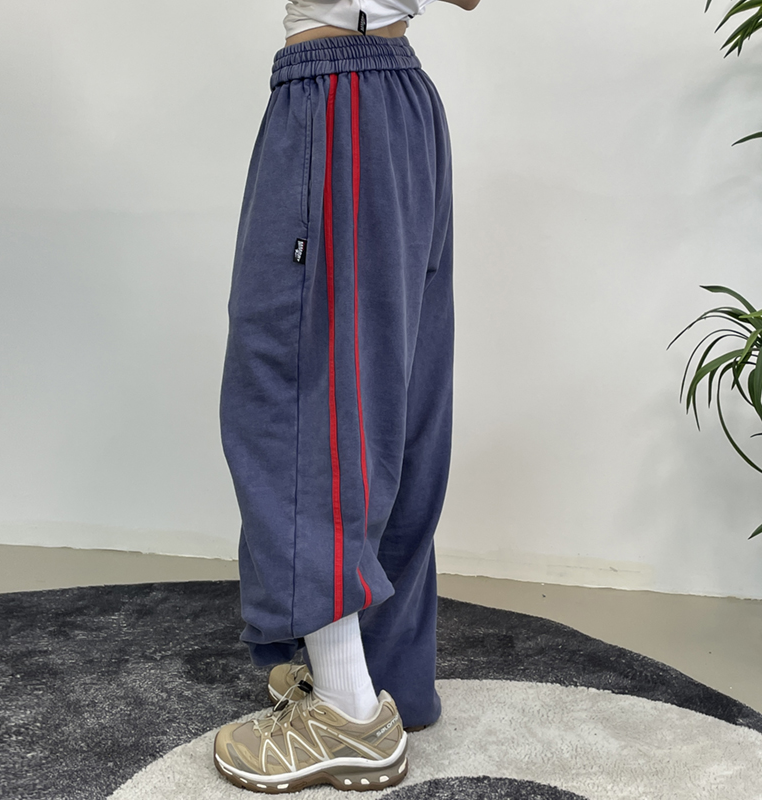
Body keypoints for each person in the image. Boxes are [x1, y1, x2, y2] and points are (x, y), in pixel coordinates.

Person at [214, 0, 480, 792]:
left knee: (298, 394)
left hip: (337, 95)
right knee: (390, 397)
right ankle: (390, 672)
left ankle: (347, 712)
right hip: (399, 101)